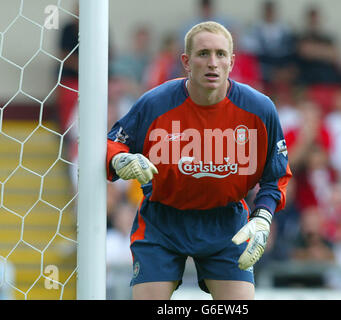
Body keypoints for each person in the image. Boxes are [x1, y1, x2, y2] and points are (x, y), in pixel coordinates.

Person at [106, 21, 292, 300]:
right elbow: (113, 143)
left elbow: (275, 174)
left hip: (227, 223)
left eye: (220, 54)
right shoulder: (155, 103)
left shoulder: (259, 108)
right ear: (186, 61)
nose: (212, 63)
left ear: (232, 61)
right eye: (203, 54)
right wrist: (121, 160)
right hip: (162, 222)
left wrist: (263, 216)